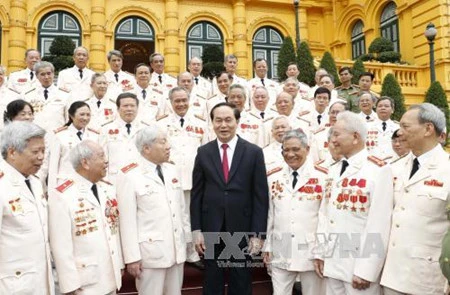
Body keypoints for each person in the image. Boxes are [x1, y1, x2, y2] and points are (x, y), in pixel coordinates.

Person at [191, 102, 269, 295]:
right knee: (212, 279)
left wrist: (257, 234)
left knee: (240, 279)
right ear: (212, 123)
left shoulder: (253, 152)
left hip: (242, 226)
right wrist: (196, 229)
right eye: (218, 120)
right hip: (212, 226)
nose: (223, 125)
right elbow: (197, 194)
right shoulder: (204, 152)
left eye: (228, 120)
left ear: (237, 121)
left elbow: (260, 196)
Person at [314, 111, 394, 295]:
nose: (332, 140)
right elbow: (325, 215)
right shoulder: (334, 169)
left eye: (336, 134)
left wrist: (367, 270)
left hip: (357, 267)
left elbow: (379, 223)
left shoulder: (378, 170)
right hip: (333, 262)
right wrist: (320, 252)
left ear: (355, 137)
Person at [380, 103, 450, 295]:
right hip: (393, 275)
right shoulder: (394, 168)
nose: (399, 132)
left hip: (428, 278)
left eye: (405, 126)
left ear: (428, 129)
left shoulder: (447, 169)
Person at [117, 125, 190, 295]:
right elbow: (127, 220)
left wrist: (186, 240)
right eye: (163, 142)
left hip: (176, 250)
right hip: (150, 254)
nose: (168, 146)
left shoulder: (171, 169)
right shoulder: (130, 175)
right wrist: (132, 257)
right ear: (147, 148)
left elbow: (180, 209)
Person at [48, 140, 123, 295]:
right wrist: (69, 284)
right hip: (85, 282)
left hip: (109, 275)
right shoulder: (62, 195)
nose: (106, 161)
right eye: (101, 156)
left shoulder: (106, 188)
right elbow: (61, 246)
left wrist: (119, 265)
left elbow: (113, 231)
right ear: (85, 163)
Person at [263, 129, 326, 295]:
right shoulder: (273, 177)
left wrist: (322, 251)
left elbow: (325, 217)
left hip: (311, 251)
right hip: (280, 247)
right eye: (286, 150)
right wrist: (267, 245)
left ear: (307, 148)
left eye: (296, 149)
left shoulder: (323, 177)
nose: (290, 154)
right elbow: (270, 215)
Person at [156, 87, 208, 268]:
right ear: (170, 103)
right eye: (177, 101)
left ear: (190, 100)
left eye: (184, 100)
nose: (180, 104)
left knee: (194, 215)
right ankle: (181, 250)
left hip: (196, 176)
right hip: (172, 177)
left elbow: (207, 149)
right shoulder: (161, 125)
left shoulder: (201, 123)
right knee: (178, 215)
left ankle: (193, 251)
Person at [0, 121, 54, 294]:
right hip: (12, 285)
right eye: (35, 152)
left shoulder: (35, 182)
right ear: (12, 152)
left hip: (39, 280)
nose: (41, 157)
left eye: (43, 151)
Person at [47, 101, 100, 189]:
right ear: (71, 116)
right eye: (82, 114)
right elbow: (53, 167)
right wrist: (52, 192)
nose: (85, 118)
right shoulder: (60, 136)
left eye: (88, 115)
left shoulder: (95, 136)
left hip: (88, 184)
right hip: (66, 185)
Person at [99, 92, 148, 184]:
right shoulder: (106, 129)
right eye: (125, 106)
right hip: (116, 180)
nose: (129, 109)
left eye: (132, 106)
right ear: (118, 109)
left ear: (137, 108)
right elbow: (102, 157)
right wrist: (105, 180)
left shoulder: (146, 129)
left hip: (141, 179)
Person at [23, 61, 69, 132]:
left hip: (58, 135)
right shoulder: (28, 95)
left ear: (53, 74)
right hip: (35, 136)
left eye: (49, 73)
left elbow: (68, 119)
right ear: (37, 76)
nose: (46, 77)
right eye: (42, 74)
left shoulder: (65, 94)